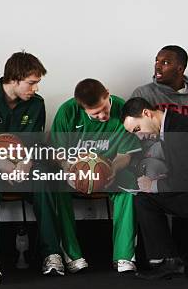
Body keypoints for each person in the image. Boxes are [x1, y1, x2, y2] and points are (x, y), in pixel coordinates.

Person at [0, 52, 71, 276]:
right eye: (31, 83)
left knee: (44, 175)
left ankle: (51, 253)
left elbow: (34, 145)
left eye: (37, 83)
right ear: (14, 78)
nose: (36, 89)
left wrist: (26, 164)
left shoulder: (36, 105)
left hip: (22, 169)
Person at [121, 97, 188, 279]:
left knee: (144, 198)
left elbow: (187, 179)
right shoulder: (173, 126)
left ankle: (165, 260)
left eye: (137, 129)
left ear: (147, 113)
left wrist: (153, 184)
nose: (139, 136)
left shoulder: (181, 128)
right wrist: (165, 179)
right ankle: (174, 261)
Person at [50, 79, 141, 273]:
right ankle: (72, 256)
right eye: (95, 113)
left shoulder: (123, 109)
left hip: (109, 170)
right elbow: (59, 152)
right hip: (76, 171)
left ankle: (124, 256)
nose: (102, 116)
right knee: (56, 185)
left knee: (130, 182)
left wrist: (114, 169)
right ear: (82, 108)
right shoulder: (67, 111)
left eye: (104, 109)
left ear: (107, 94)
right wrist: (69, 169)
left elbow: (125, 154)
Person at [131, 45, 188, 155]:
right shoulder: (142, 94)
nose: (158, 67)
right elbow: (135, 137)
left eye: (165, 63)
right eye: (157, 61)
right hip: (155, 159)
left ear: (180, 69)